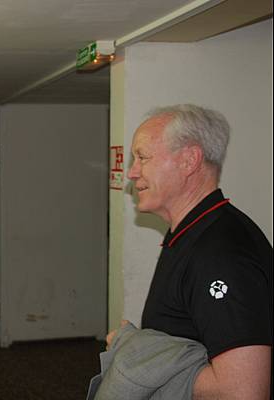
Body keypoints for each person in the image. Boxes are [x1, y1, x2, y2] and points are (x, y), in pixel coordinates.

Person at [109, 104, 272, 399]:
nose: (132, 173)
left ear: (189, 161)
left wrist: (140, 358)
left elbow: (243, 391)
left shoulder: (220, 254)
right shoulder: (196, 231)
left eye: (142, 157)